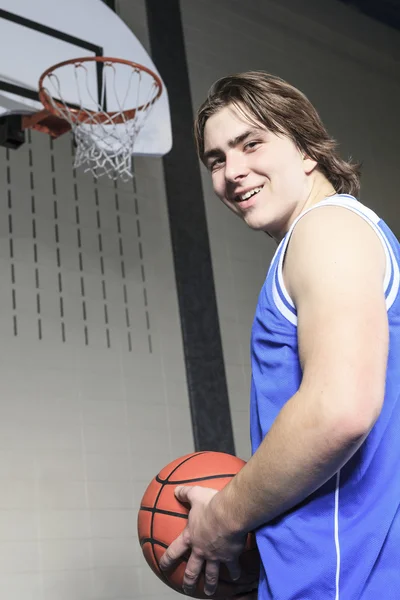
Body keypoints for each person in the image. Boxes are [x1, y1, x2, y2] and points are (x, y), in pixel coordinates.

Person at [159, 72, 400, 599]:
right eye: (217, 159)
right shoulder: (335, 235)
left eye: (251, 144)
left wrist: (223, 517)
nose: (233, 172)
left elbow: (340, 410)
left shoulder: (327, 230)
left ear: (307, 148)